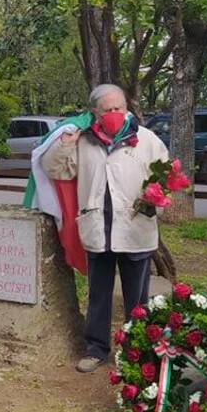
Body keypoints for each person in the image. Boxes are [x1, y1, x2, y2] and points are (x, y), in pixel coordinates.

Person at [40, 83, 169, 373]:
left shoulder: (146, 140)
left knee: (137, 298)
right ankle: (96, 348)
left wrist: (156, 200)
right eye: (107, 110)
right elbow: (55, 170)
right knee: (98, 295)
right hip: (98, 229)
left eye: (118, 109)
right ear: (95, 112)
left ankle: (136, 351)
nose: (113, 114)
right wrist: (64, 144)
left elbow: (166, 176)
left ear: (127, 109)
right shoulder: (83, 140)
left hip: (135, 229)